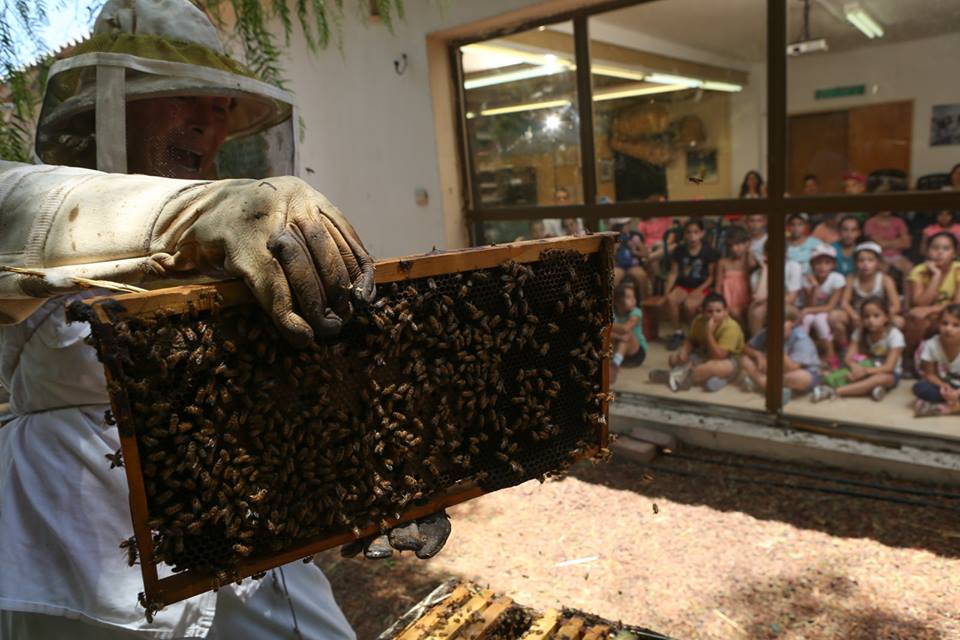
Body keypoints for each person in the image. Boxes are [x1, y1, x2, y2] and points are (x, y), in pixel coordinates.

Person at [0, 1, 448, 637]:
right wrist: (202, 208)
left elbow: (274, 385)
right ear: (116, 101)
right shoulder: (31, 202)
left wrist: (371, 478)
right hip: (79, 551)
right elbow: (53, 209)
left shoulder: (243, 233)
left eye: (218, 109)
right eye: (183, 99)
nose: (207, 127)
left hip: (240, 528)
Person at [812, 296, 904, 403]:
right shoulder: (860, 332)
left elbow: (889, 367)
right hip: (867, 366)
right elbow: (848, 358)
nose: (871, 320)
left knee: (881, 379)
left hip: (888, 373)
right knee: (840, 374)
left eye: (876, 316)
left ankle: (835, 391)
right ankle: (871, 389)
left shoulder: (895, 335)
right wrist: (855, 367)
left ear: (886, 317)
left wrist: (864, 372)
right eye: (866, 317)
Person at [740, 306, 820, 405]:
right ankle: (771, 387)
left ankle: (764, 384)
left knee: (799, 377)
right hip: (774, 370)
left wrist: (778, 344)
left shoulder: (801, 339)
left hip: (796, 372)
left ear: (792, 323)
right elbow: (745, 348)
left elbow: (792, 367)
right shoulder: (767, 333)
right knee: (744, 359)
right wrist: (757, 354)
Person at [834, 241, 903, 352]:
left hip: (878, 314)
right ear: (856, 263)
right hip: (858, 314)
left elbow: (896, 305)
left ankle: (890, 351)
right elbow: (844, 302)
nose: (866, 264)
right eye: (861, 260)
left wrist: (883, 316)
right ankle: (845, 349)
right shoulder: (852, 278)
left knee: (898, 321)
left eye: (870, 260)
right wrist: (854, 315)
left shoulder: (885, 279)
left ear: (878, 263)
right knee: (835, 316)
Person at [905, 231, 960, 364]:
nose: (940, 252)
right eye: (935, 248)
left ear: (954, 253)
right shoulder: (919, 270)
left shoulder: (958, 269)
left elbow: (957, 304)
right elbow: (919, 303)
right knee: (917, 318)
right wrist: (936, 276)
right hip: (929, 319)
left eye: (946, 249)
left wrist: (930, 310)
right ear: (927, 251)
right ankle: (912, 358)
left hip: (953, 317)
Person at [662, 220, 718, 350]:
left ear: (702, 233)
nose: (692, 236)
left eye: (696, 232)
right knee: (670, 299)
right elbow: (673, 273)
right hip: (683, 285)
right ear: (684, 235)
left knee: (689, 305)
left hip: (702, 286)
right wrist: (666, 292)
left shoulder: (709, 251)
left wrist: (698, 290)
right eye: (688, 232)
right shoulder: (679, 250)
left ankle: (695, 335)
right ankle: (678, 333)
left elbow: (711, 277)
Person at [747, 240, 804, 337]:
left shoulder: (794, 267)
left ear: (785, 252)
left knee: (774, 309)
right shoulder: (756, 275)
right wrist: (765, 269)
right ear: (765, 254)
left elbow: (790, 299)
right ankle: (758, 346)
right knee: (756, 311)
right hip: (765, 306)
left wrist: (766, 299)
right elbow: (758, 299)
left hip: (790, 307)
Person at [801, 245, 845, 369]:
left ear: (833, 265)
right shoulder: (807, 278)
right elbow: (810, 304)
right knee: (806, 319)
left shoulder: (837, 278)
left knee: (819, 319)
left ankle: (831, 355)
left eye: (827, 263)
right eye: (818, 263)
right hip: (814, 309)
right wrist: (814, 286)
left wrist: (808, 310)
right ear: (812, 265)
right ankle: (803, 353)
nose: (822, 267)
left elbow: (830, 307)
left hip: (831, 311)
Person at [913, 303, 960, 417]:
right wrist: (943, 386)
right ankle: (951, 403)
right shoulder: (931, 345)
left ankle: (954, 407)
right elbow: (929, 374)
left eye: (956, 325)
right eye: (945, 323)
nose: (948, 329)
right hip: (946, 386)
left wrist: (957, 393)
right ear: (938, 324)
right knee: (920, 387)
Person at [610, 279, 647, 384]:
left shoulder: (636, 312)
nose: (634, 300)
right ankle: (608, 361)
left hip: (636, 354)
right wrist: (616, 335)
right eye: (629, 298)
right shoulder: (612, 314)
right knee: (606, 334)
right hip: (619, 352)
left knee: (627, 333)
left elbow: (626, 328)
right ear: (618, 302)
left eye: (633, 297)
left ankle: (615, 365)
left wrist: (609, 327)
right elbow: (603, 331)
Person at [716, 226, 753, 325]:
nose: (734, 249)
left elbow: (752, 266)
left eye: (738, 244)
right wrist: (718, 305)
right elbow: (718, 286)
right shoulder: (723, 262)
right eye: (731, 246)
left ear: (747, 243)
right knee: (732, 312)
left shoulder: (750, 261)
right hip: (729, 301)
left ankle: (746, 335)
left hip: (748, 300)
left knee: (737, 313)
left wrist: (748, 250)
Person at [863, 210, 913, 275]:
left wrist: (885, 242)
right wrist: (898, 241)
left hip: (897, 256)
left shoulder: (899, 221)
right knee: (882, 270)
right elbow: (880, 244)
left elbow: (907, 244)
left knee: (910, 268)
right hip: (879, 256)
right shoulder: (870, 223)